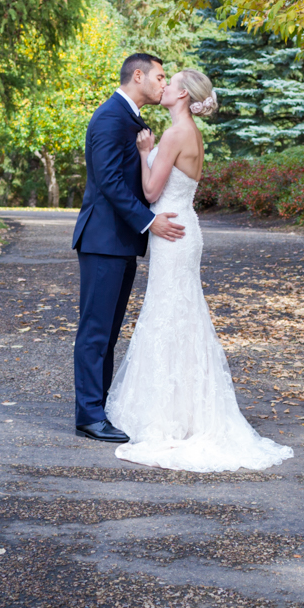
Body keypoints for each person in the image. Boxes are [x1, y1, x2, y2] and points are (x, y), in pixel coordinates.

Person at [105, 67, 294, 472]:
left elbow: (152, 191)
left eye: (170, 84)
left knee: (171, 315)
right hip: (181, 228)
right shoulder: (188, 131)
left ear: (184, 96)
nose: (164, 86)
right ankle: (183, 411)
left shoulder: (175, 134)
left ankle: (171, 416)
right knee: (179, 315)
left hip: (171, 232)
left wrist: (142, 154)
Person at [71, 53, 185, 442]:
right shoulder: (109, 117)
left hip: (121, 242)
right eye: (159, 76)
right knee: (95, 332)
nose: (162, 83)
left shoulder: (131, 118)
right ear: (138, 75)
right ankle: (88, 415)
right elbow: (107, 180)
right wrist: (150, 221)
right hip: (103, 240)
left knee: (109, 332)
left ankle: (98, 408)